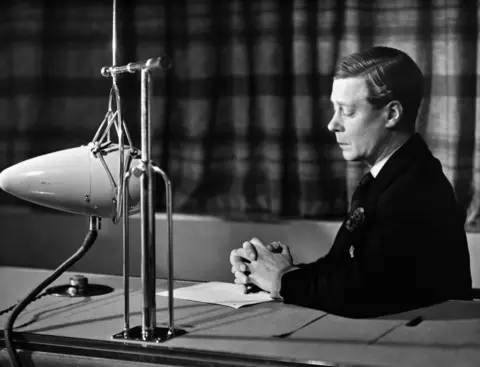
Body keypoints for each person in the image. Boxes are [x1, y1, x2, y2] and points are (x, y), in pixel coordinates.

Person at [229, 46, 473, 318]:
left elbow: (359, 290)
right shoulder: (385, 177)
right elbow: (347, 267)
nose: (332, 124)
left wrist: (281, 279)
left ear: (392, 114)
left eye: (347, 111)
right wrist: (273, 269)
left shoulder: (414, 187)